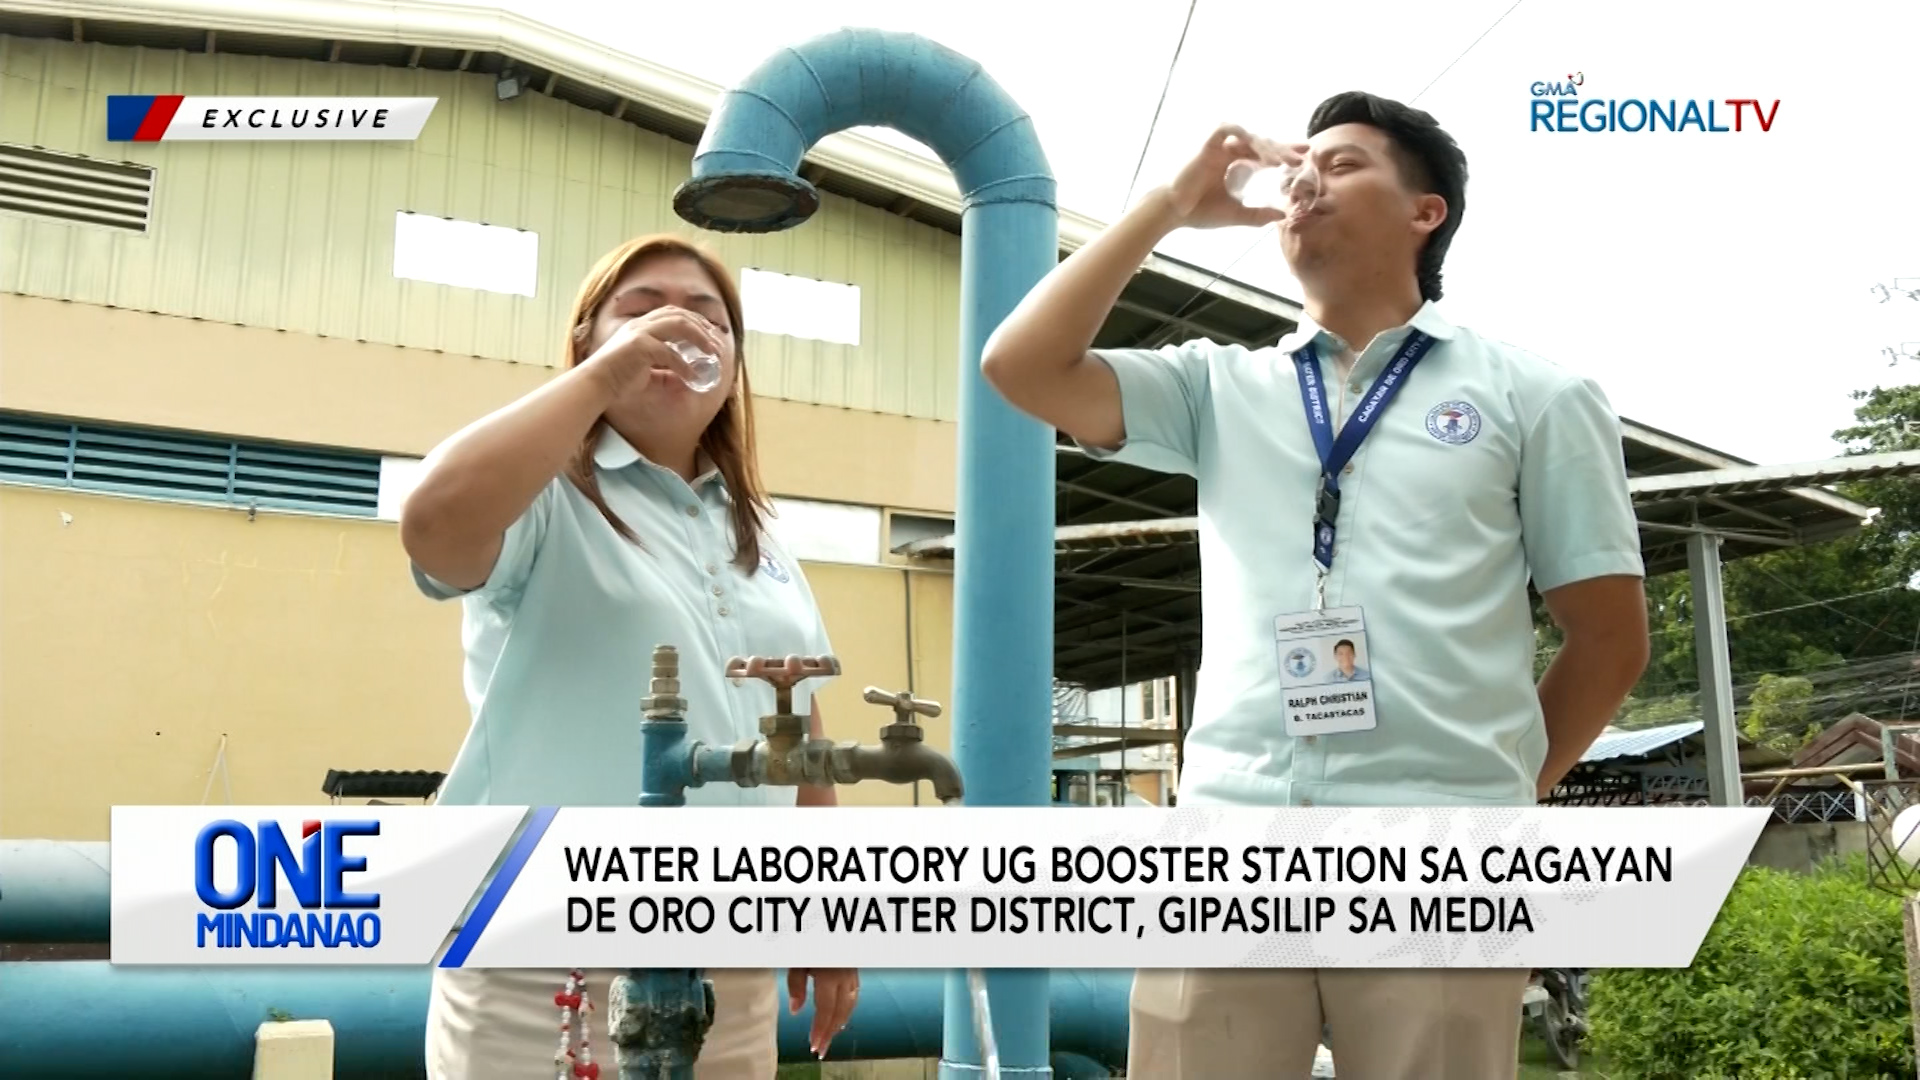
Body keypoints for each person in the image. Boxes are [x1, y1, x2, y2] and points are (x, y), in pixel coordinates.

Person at [981, 92, 1650, 1079]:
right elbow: (1022, 364)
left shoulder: (1533, 395)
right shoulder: (1221, 387)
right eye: (1298, 168)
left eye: (1341, 163)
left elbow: (1609, 641)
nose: (1303, 181)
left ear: (1428, 213)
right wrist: (1168, 204)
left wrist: (1496, 796)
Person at [399, 234, 859, 1079]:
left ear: (733, 364)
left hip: (726, 961)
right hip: (540, 957)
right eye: (641, 309)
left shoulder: (759, 535)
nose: (679, 324)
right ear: (586, 340)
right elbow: (433, 523)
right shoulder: (544, 500)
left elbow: (799, 730)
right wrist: (606, 379)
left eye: (708, 316)